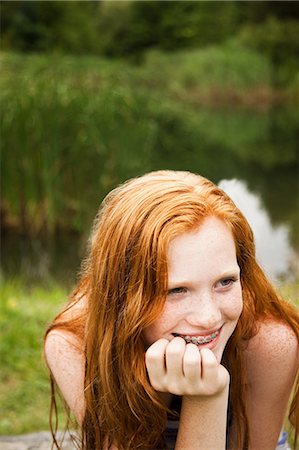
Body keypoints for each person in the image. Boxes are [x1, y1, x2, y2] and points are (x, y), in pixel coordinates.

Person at [44, 170, 299, 450]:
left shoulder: (268, 345)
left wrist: (207, 399)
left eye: (225, 282)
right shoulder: (75, 344)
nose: (209, 317)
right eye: (176, 290)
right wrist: (158, 397)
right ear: (125, 293)